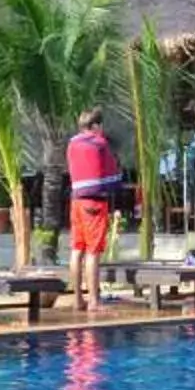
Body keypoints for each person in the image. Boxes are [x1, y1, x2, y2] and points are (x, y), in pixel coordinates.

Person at [66, 107, 122, 318]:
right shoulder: (99, 143)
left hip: (76, 200)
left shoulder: (72, 144)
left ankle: (77, 299)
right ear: (96, 125)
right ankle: (94, 301)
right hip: (94, 203)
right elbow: (111, 173)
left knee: (76, 249)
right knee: (93, 251)